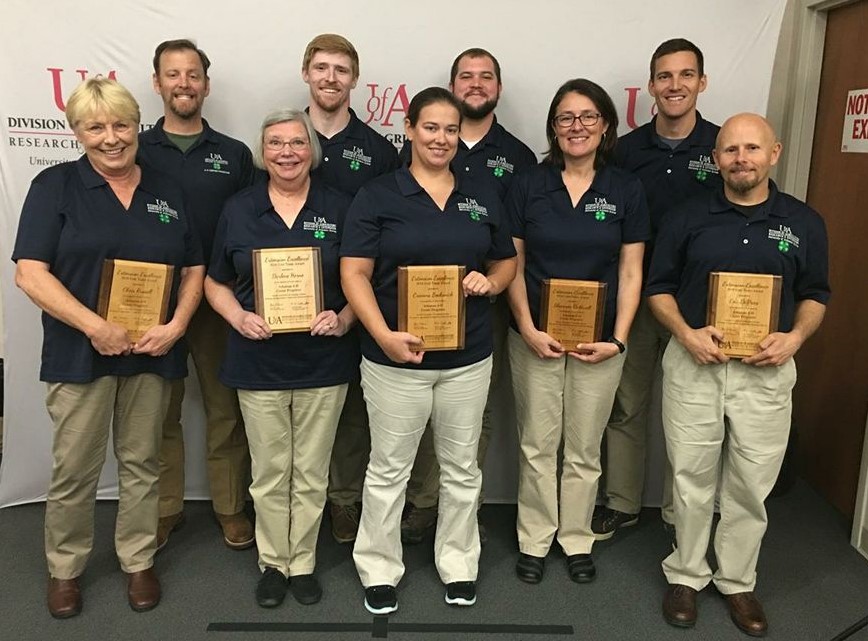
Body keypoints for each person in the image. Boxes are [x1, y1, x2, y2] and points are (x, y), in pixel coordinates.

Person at [12, 77, 204, 617]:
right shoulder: (55, 186)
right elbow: (31, 274)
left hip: (152, 349)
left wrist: (177, 326)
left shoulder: (166, 189)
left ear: (136, 125)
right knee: (75, 468)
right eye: (95, 127)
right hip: (79, 355)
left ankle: (138, 559)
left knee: (143, 462)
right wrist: (95, 326)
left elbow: (193, 268)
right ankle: (66, 568)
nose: (111, 138)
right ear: (77, 132)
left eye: (121, 125)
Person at [648, 113, 829, 636]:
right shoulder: (686, 217)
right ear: (716, 158)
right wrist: (685, 333)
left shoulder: (803, 222)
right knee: (689, 475)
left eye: (752, 148)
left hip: (766, 372)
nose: (741, 159)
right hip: (695, 363)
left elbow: (817, 294)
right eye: (730, 150)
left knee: (751, 481)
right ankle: (685, 572)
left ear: (774, 153)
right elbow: (659, 288)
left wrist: (795, 338)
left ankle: (737, 580)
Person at [341, 87, 516, 614]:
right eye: (431, 127)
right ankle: (378, 567)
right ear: (411, 128)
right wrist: (383, 336)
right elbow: (354, 274)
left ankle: (459, 565)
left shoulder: (482, 192)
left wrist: (492, 282)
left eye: (450, 129)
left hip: (468, 360)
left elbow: (506, 261)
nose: (441, 139)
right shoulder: (377, 195)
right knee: (389, 468)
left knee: (461, 470)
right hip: (396, 361)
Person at [205, 109, 356, 608]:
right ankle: (274, 562)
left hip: (323, 361)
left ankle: (304, 561)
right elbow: (214, 281)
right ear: (262, 152)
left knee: (312, 471)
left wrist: (344, 316)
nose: (287, 152)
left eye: (297, 143)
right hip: (258, 360)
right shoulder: (239, 208)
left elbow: (365, 279)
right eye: (276, 143)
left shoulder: (341, 205)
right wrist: (237, 317)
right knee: (270, 471)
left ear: (311, 151)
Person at [506, 79, 648, 585]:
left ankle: (576, 537)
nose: (577, 127)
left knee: (585, 448)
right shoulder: (527, 184)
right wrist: (525, 327)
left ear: (606, 124)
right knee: (537, 444)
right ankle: (535, 538)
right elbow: (513, 264)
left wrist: (620, 338)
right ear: (553, 127)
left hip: (600, 342)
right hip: (534, 338)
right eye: (566, 117)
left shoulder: (626, 188)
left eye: (588, 116)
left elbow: (632, 271)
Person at [399, 47, 537, 545]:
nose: (476, 84)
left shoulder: (519, 157)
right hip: (416, 309)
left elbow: (513, 243)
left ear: (498, 87)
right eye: (466, 76)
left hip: (482, 304)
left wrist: (496, 283)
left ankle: (463, 502)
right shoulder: (416, 149)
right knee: (414, 405)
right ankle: (421, 500)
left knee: (472, 414)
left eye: (486, 77)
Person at [594, 38, 723, 545]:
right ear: (650, 86)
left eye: (686, 75)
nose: (675, 86)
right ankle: (623, 503)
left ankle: (680, 513)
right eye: (665, 77)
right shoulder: (624, 151)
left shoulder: (721, 146)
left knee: (694, 415)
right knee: (627, 404)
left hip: (700, 303)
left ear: (702, 83)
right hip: (636, 298)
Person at [138, 38, 256, 552]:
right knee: (158, 412)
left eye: (192, 75)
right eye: (173, 74)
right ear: (156, 82)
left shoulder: (233, 154)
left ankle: (230, 508)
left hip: (218, 301)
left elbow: (251, 224)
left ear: (206, 85)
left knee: (224, 409)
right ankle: (165, 510)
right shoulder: (134, 149)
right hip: (150, 302)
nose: (183, 84)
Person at [301, 33, 400, 544]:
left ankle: (343, 499)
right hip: (287, 301)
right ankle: (292, 505)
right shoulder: (284, 138)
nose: (330, 78)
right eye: (321, 68)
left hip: (358, 301)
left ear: (354, 80)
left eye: (341, 69)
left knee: (354, 410)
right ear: (306, 74)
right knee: (286, 405)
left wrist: (353, 307)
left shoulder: (379, 150)